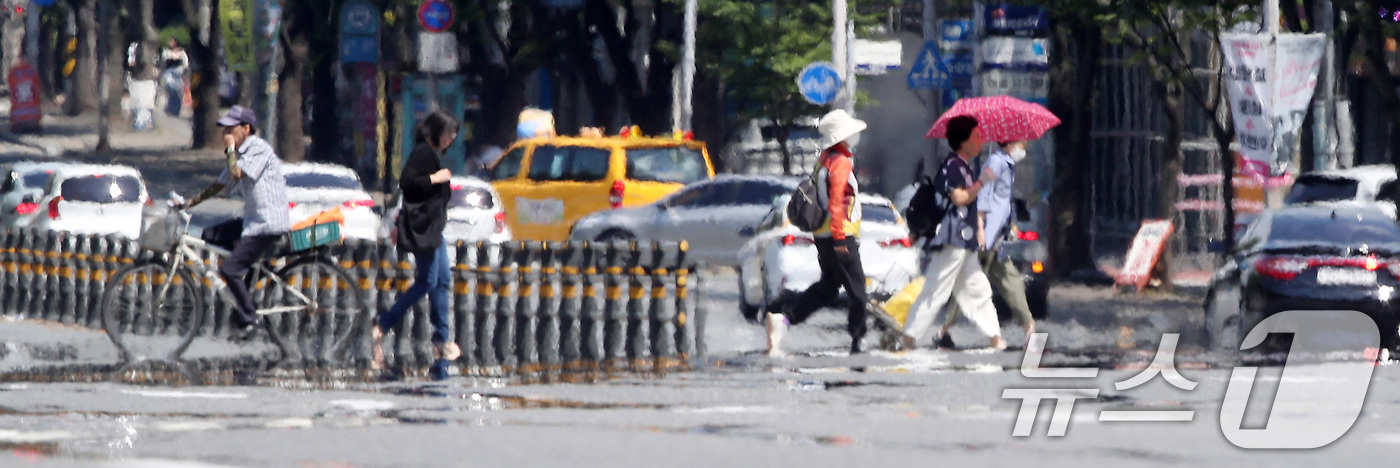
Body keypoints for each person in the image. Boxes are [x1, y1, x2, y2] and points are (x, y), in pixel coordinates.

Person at [764, 109, 871, 357]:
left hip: (822, 237)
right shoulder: (841, 162)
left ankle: (784, 321)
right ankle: (858, 339)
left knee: (828, 288)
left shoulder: (825, 159)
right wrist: (840, 237)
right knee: (858, 291)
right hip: (839, 235)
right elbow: (836, 202)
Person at [182, 106, 291, 341]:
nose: (227, 132)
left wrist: (230, 148)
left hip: (267, 224)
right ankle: (245, 287)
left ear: (246, 128)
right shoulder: (240, 153)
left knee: (229, 269)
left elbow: (235, 175)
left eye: (232, 128)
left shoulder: (258, 150)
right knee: (211, 235)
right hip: (252, 222)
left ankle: (250, 318)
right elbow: (220, 185)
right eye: (225, 128)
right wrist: (188, 204)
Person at [902, 115, 1005, 350]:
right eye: (976, 136)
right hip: (953, 237)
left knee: (978, 288)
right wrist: (982, 182)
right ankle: (909, 337)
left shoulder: (962, 166)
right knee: (936, 289)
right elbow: (959, 198)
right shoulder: (954, 166)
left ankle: (995, 337)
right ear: (963, 141)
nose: (981, 140)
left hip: (963, 238)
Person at [371, 109, 461, 376]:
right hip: (423, 231)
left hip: (432, 229)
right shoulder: (424, 153)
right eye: (448, 134)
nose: (450, 139)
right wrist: (438, 178)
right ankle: (383, 325)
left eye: (453, 135)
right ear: (435, 132)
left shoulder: (430, 155)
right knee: (427, 282)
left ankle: (441, 340)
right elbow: (409, 184)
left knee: (442, 279)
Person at [936, 140, 1037, 349]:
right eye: (1021, 141)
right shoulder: (995, 162)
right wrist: (980, 230)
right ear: (1011, 142)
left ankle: (1029, 329)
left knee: (1013, 283)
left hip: (996, 239)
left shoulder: (1007, 163)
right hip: (986, 239)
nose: (1024, 145)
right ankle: (944, 330)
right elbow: (983, 198)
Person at [161, 38, 189, 116]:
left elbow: (186, 64)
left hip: (178, 74)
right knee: (170, 91)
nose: (170, 43)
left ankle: (176, 109)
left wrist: (182, 70)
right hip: (168, 73)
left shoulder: (182, 53)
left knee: (178, 92)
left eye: (172, 41)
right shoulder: (166, 52)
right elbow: (163, 63)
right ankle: (170, 108)